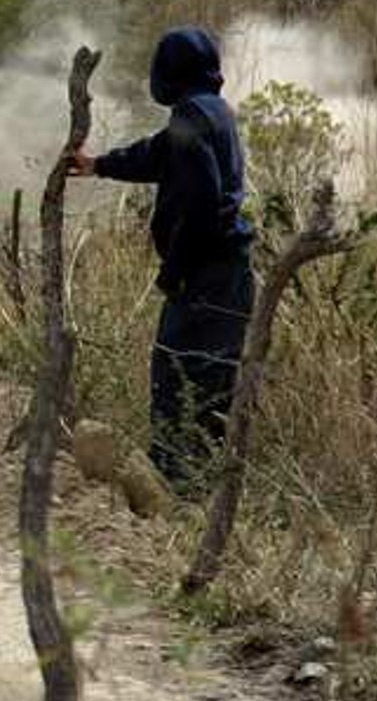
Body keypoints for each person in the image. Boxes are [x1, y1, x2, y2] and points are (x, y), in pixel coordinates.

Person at [70, 27, 254, 495]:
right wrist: (99, 165)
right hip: (230, 273)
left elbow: (201, 207)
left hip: (204, 275)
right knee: (212, 382)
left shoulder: (191, 115)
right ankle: (203, 489)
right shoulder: (210, 111)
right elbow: (157, 155)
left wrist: (174, 274)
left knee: (177, 379)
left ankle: (173, 490)